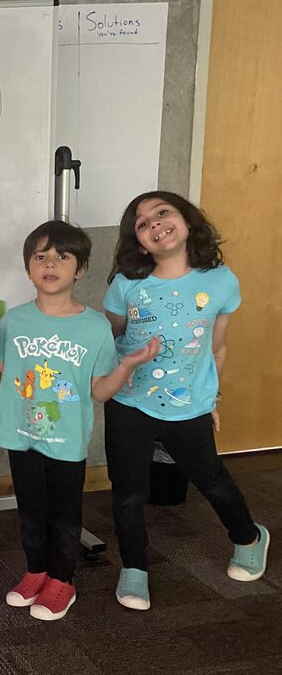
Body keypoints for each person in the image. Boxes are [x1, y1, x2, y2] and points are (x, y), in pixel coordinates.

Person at [0, 221, 159, 621]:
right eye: (40, 256)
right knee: (31, 511)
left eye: (62, 256)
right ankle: (36, 570)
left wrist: (127, 366)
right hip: (21, 437)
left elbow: (100, 391)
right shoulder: (15, 321)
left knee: (65, 515)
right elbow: (2, 383)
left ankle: (62, 580)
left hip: (66, 441)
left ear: (81, 268)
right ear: (28, 268)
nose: (50, 264)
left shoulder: (94, 327)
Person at [103, 191, 269, 610]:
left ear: (188, 221)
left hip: (189, 403)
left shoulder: (220, 281)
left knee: (211, 478)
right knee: (128, 491)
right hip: (129, 401)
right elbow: (113, 340)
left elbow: (217, 348)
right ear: (139, 242)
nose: (155, 223)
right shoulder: (127, 285)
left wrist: (213, 397)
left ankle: (249, 536)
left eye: (163, 213)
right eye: (142, 223)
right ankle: (135, 566)